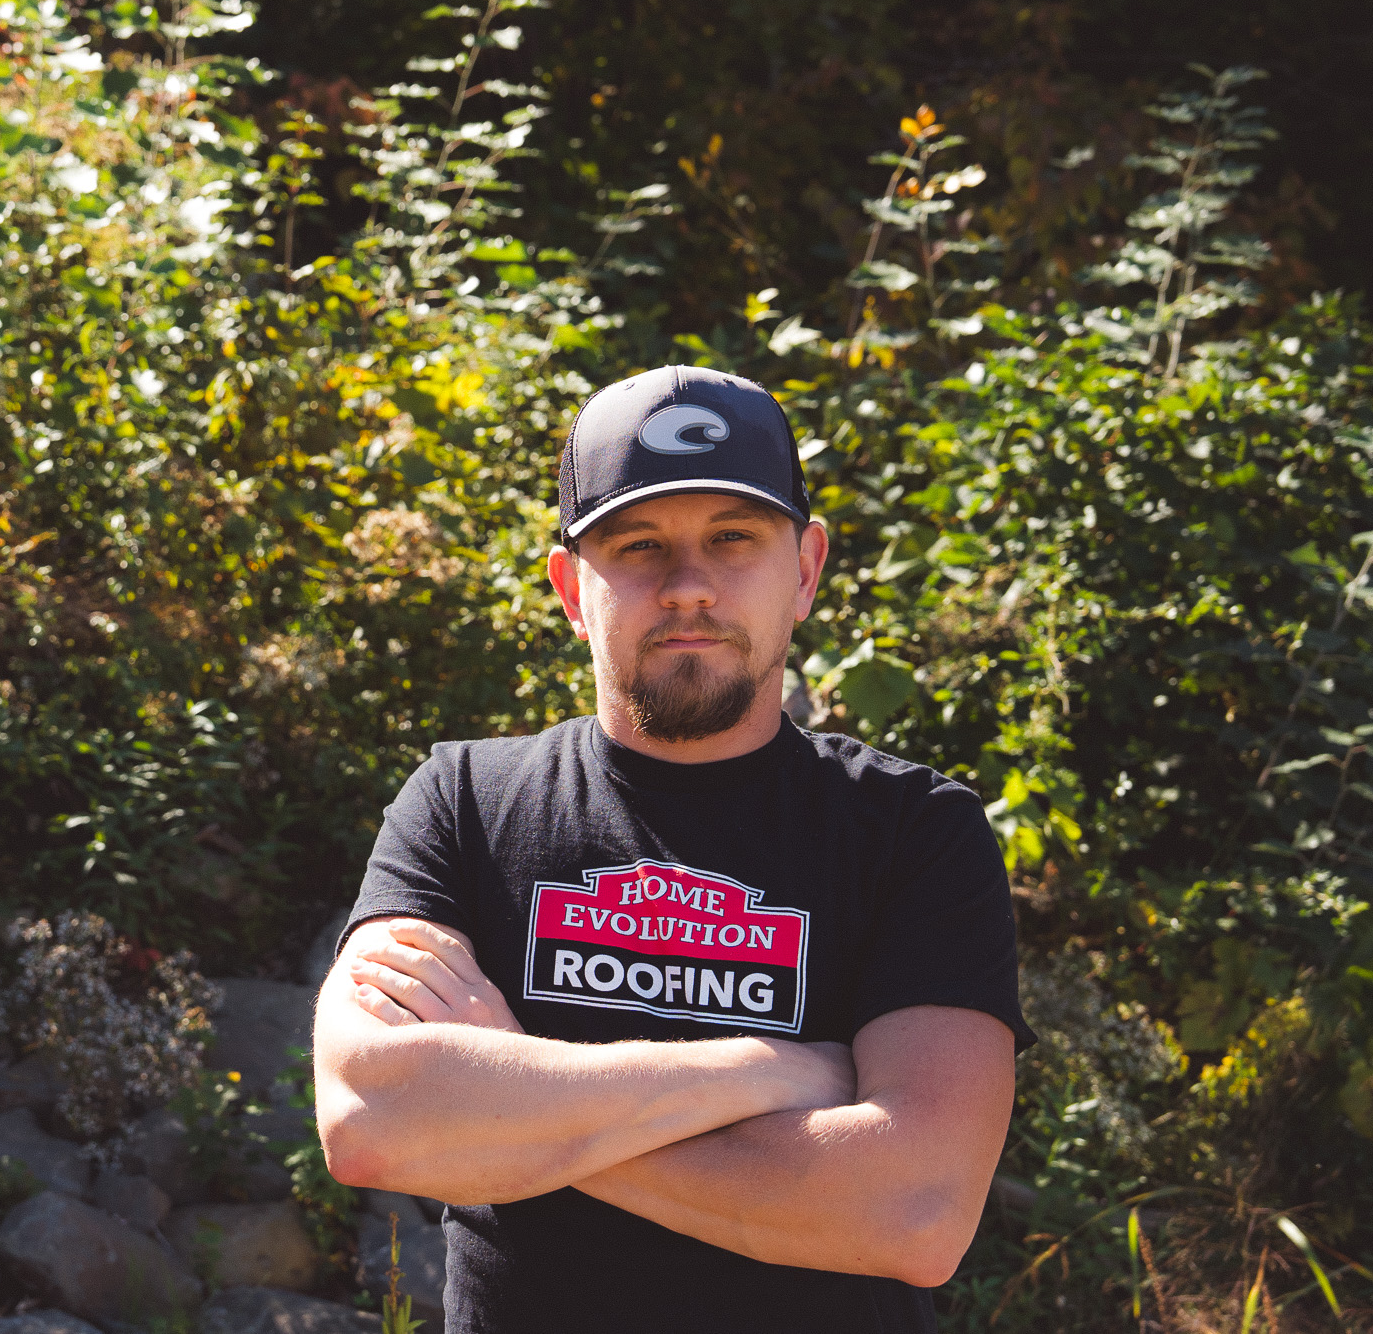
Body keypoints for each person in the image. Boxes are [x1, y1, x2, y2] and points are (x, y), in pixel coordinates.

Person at [311, 365, 1034, 1332]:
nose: (688, 585)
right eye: (639, 544)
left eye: (732, 537)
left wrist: (513, 1091)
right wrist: (771, 1069)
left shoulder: (915, 831)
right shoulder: (466, 801)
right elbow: (371, 1118)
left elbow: (912, 1210)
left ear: (807, 568)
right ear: (572, 586)